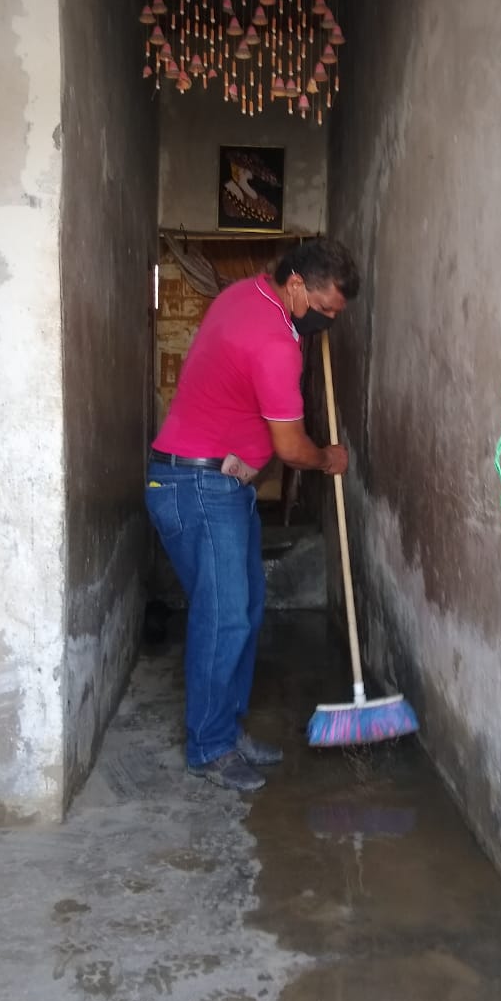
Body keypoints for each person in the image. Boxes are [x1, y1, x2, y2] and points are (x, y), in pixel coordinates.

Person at [145, 238, 360, 792]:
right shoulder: (275, 342)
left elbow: (230, 398)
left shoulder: (244, 296)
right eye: (327, 310)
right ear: (296, 286)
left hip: (214, 480)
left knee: (245, 608)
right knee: (225, 617)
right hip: (197, 485)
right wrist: (327, 458)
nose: (330, 322)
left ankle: (225, 728)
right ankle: (209, 747)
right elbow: (290, 448)